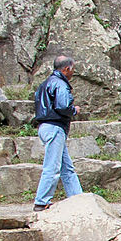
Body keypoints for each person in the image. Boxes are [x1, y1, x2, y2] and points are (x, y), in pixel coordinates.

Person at [33, 55, 82, 211]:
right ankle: (41, 201)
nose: (73, 72)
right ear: (66, 68)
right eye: (72, 69)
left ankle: (78, 198)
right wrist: (74, 110)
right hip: (55, 127)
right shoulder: (60, 84)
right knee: (52, 166)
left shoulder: (44, 84)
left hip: (45, 126)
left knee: (67, 167)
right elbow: (62, 106)